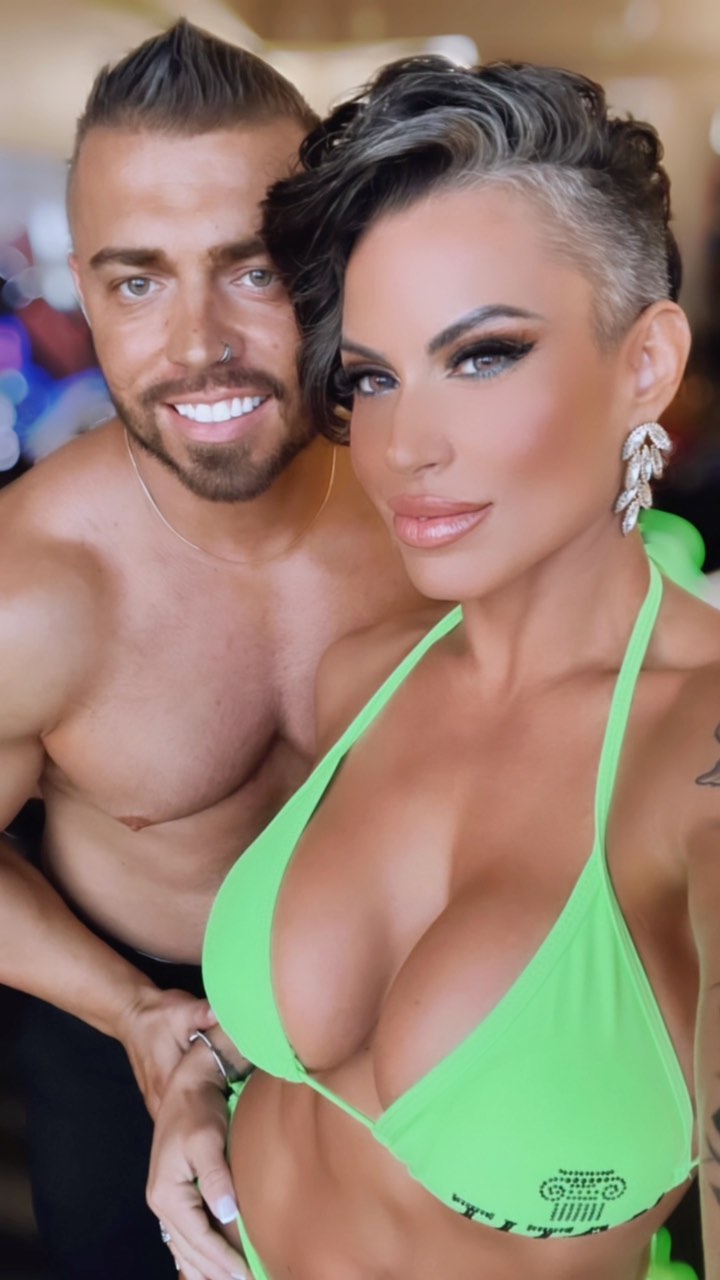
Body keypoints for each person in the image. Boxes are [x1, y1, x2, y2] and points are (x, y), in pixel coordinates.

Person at [147, 56, 720, 1280]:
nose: (406, 444)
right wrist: (196, 1078)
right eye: (373, 376)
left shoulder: (695, 757)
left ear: (645, 363)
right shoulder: (367, 674)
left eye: (484, 354)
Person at [0, 23, 424, 1280]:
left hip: (419, 1015)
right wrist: (137, 1015)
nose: (196, 344)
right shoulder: (33, 589)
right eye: (137, 282)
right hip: (131, 1039)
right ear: (83, 289)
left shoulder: (440, 512)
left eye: (254, 269)